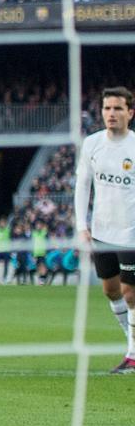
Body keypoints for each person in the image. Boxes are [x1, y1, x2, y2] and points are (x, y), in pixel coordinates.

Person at [74, 86, 135, 374]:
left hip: (131, 232)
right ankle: (131, 341)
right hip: (101, 231)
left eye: (118, 108)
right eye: (107, 108)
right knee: (111, 291)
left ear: (130, 113)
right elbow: (83, 184)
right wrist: (81, 225)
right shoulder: (92, 144)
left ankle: (133, 356)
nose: (111, 114)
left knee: (130, 292)